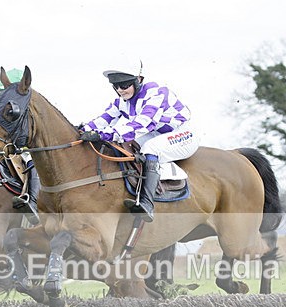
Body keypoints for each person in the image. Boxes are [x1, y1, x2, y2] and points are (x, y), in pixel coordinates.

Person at [79, 60, 199, 222]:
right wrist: (81, 130)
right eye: (116, 86)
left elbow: (142, 124)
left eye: (124, 85)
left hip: (183, 135)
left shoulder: (157, 94)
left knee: (151, 148)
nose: (120, 90)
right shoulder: (121, 101)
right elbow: (104, 119)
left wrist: (103, 135)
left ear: (139, 79)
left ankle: (147, 204)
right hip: (155, 133)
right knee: (125, 145)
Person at [0, 68, 41, 224]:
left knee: (30, 161)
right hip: (8, 149)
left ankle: (32, 203)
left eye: (2, 92)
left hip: (27, 149)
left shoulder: (28, 105)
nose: (0, 96)